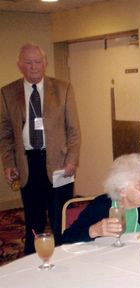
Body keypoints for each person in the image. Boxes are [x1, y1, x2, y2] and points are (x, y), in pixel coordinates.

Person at [0, 42, 81, 254]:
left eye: (37, 62)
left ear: (45, 63)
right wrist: (8, 163)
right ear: (20, 65)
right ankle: (31, 262)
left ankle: (64, 258)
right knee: (33, 221)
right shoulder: (8, 93)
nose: (33, 66)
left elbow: (73, 130)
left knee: (59, 219)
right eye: (28, 62)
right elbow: (5, 134)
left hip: (59, 166)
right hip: (28, 164)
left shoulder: (63, 89)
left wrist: (72, 160)